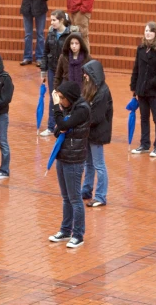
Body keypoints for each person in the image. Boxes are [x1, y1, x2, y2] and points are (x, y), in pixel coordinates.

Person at [48, 81, 91, 249]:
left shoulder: (82, 110)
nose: (60, 101)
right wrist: (62, 125)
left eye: (62, 98)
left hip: (74, 159)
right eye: (58, 98)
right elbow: (57, 129)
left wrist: (56, 108)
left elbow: (64, 125)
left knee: (75, 198)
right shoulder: (69, 108)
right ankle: (65, 230)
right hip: (63, 156)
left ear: (70, 98)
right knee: (66, 197)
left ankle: (78, 235)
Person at [129, 22, 156, 156]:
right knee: (143, 117)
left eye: (151, 31)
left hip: (155, 90)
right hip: (141, 90)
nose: (148, 33)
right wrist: (134, 86)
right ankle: (144, 144)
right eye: (146, 30)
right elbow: (136, 69)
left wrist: (150, 83)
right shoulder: (141, 48)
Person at [39, 10, 78, 136]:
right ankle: (51, 126)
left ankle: (68, 123)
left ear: (61, 20)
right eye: (51, 20)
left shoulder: (70, 35)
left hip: (65, 71)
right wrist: (43, 70)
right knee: (53, 95)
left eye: (54, 20)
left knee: (66, 96)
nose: (52, 23)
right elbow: (45, 52)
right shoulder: (51, 34)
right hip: (52, 69)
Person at [80, 60, 112, 207]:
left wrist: (79, 122)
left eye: (87, 73)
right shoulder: (90, 89)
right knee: (88, 163)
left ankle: (100, 196)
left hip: (98, 133)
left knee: (99, 165)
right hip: (89, 132)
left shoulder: (103, 92)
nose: (85, 76)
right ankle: (86, 190)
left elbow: (96, 116)